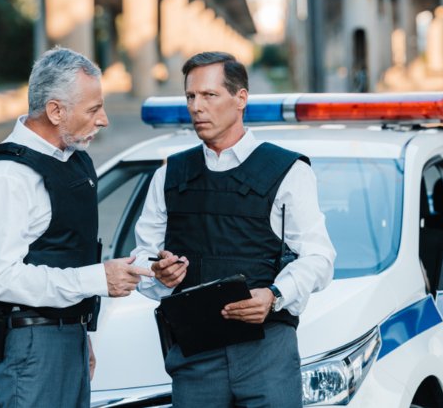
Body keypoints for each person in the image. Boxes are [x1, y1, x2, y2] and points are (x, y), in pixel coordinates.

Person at [132, 51, 336, 407]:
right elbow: (142, 258)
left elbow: (319, 258)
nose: (197, 107)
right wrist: (157, 272)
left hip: (266, 353)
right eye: (191, 96)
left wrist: (273, 295)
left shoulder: (288, 171)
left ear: (240, 98)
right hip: (195, 356)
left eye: (209, 95)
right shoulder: (169, 175)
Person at [0, 47, 153, 408]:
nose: (104, 120)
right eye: (94, 109)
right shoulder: (5, 175)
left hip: (68, 336)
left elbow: (67, 251)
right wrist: (99, 279)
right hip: (31, 348)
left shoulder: (73, 161)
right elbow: (2, 279)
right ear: (55, 111)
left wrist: (81, 335)